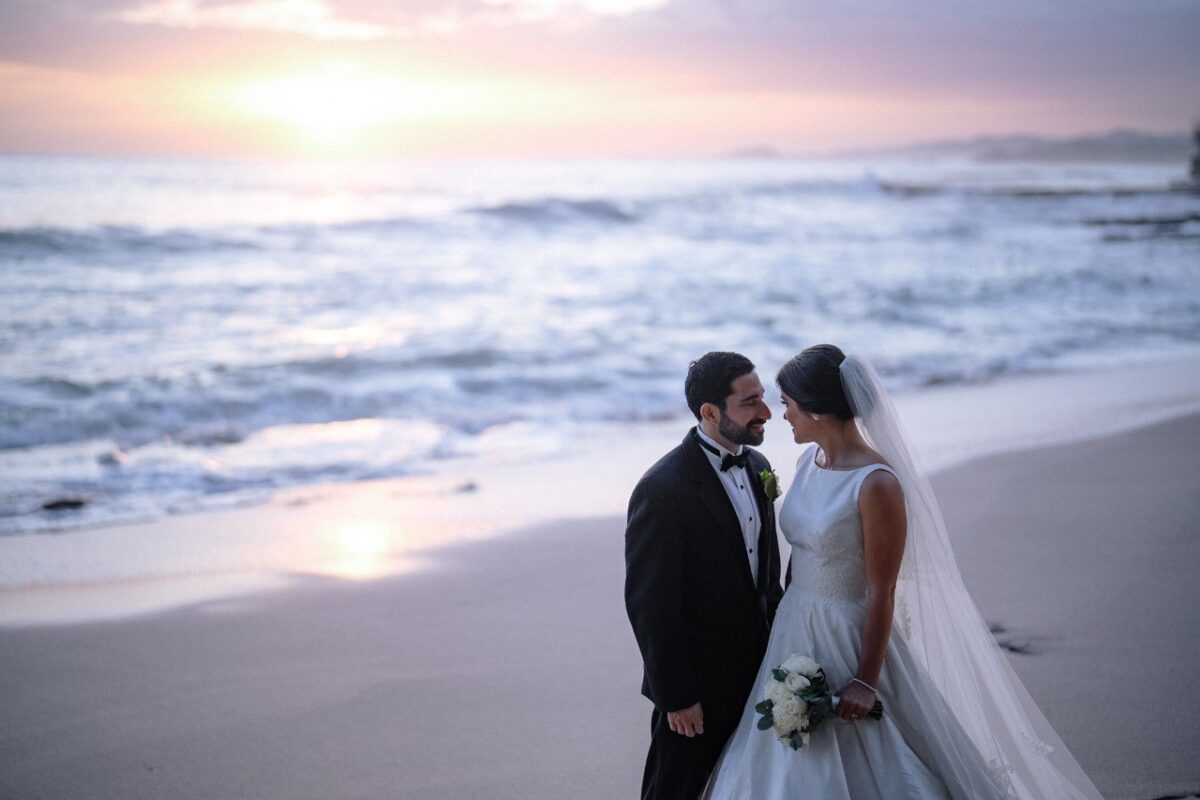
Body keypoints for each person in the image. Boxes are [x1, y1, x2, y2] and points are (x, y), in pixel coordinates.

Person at [704, 345, 1102, 799]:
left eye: (788, 405)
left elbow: (882, 589)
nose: (784, 416)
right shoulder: (805, 463)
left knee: (879, 753)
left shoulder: (876, 483)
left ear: (815, 410)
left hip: (850, 633)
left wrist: (864, 680)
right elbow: (801, 550)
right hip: (795, 626)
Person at [625, 351, 786, 800]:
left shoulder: (758, 467)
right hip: (698, 688)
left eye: (764, 398)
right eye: (750, 402)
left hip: (761, 673)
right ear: (710, 412)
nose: (766, 413)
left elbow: (766, 579)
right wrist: (676, 695)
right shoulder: (662, 490)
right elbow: (650, 604)